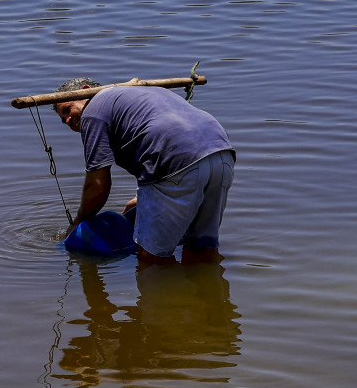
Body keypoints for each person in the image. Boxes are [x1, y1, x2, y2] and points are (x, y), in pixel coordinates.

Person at [55, 77, 234, 265]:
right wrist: (143, 198)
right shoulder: (142, 93)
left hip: (177, 162)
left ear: (85, 90)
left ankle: (165, 293)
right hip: (221, 152)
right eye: (62, 120)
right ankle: (210, 292)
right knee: (202, 247)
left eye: (67, 110)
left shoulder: (93, 111)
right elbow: (157, 131)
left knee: (151, 259)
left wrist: (78, 223)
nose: (68, 120)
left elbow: (97, 183)